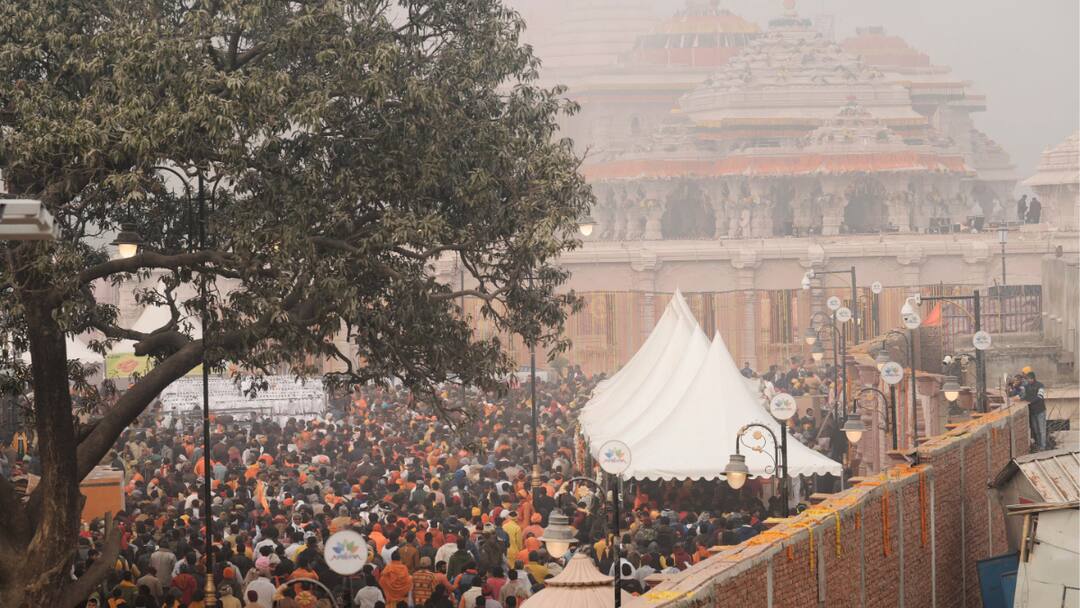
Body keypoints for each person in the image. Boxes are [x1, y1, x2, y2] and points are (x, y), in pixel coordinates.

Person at [1023, 371, 1048, 450]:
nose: (1028, 381)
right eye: (1027, 379)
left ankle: (1043, 446)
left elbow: (1040, 396)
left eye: (1029, 379)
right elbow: (1024, 396)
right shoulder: (1027, 386)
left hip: (1040, 411)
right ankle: (1039, 445)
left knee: (1041, 429)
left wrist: (1030, 402)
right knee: (1036, 430)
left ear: (1033, 378)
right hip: (1033, 412)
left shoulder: (1040, 385)